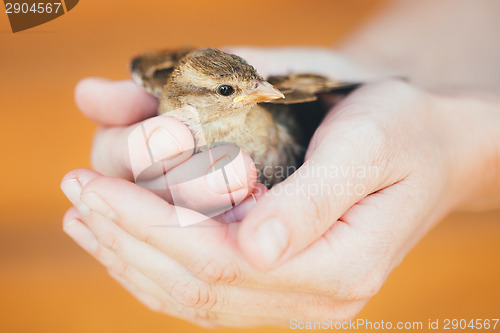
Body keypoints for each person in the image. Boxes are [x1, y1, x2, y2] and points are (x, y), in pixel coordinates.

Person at [60, 0, 500, 328]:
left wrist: (447, 137)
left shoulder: (273, 117)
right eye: (230, 93)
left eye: (257, 84)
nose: (262, 94)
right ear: (188, 96)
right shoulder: (159, 98)